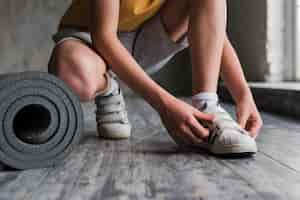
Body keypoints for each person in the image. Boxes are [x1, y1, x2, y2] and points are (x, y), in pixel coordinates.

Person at [48, 0, 263, 156]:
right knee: (72, 77)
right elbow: (104, 37)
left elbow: (212, 28)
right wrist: (165, 105)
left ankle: (207, 108)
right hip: (92, 40)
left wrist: (243, 94)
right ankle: (108, 87)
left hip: (145, 38)